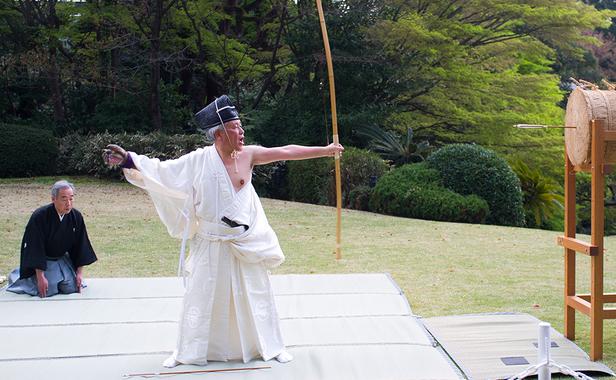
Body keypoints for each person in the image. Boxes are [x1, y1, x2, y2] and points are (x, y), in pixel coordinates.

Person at [102, 95, 343, 368]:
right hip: (210, 241)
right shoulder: (199, 160)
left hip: (243, 242)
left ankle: (270, 346)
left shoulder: (249, 155)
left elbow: (285, 151)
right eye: (235, 127)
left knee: (256, 293)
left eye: (241, 127)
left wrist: (325, 150)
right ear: (218, 133)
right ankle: (188, 350)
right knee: (201, 296)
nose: (241, 132)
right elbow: (162, 170)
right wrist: (129, 159)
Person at [6, 180, 98, 298]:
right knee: (48, 290)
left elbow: (81, 245)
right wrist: (40, 276)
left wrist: (79, 273)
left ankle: (60, 275)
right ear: (53, 199)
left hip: (63, 259)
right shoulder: (40, 217)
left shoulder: (76, 216)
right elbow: (35, 247)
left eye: (71, 198)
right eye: (64, 199)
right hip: (44, 261)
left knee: (73, 287)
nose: (68, 203)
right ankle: (18, 275)